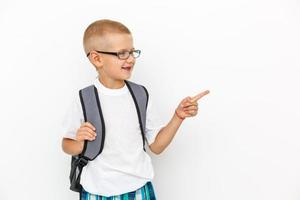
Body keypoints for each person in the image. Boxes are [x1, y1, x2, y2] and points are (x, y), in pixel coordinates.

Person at [61, 19, 209, 199]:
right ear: (97, 58)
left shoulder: (140, 94)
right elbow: (67, 145)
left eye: (132, 52)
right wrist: (80, 141)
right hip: (96, 192)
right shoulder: (84, 98)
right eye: (122, 53)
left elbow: (156, 146)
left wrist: (178, 117)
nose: (130, 58)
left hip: (138, 190)